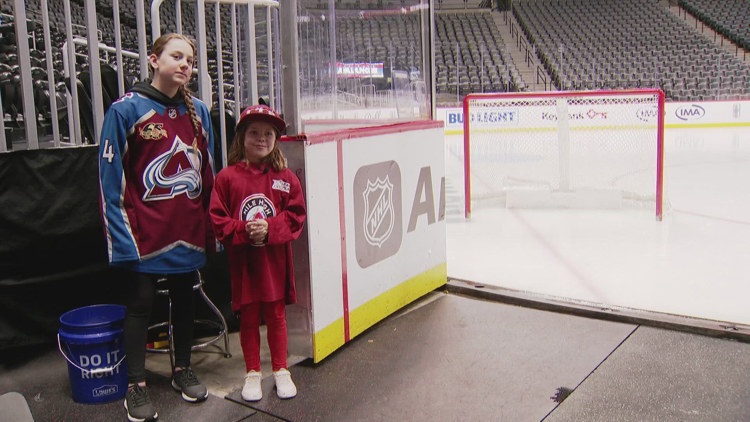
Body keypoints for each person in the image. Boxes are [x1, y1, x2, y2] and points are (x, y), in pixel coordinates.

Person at [98, 33, 215, 422]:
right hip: (145, 233)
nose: (185, 65)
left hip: (186, 229)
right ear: (153, 60)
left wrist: (211, 229)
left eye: (190, 60)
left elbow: (208, 176)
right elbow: (109, 181)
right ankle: (136, 386)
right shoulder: (125, 110)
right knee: (141, 304)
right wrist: (121, 238)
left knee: (184, 298)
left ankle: (182, 370)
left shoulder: (199, 109)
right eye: (176, 56)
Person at [209, 104, 306, 401]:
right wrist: (243, 230)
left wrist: (270, 228)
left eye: (268, 133)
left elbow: (296, 215)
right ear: (241, 137)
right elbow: (218, 219)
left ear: (276, 139)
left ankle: (280, 369)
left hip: (274, 263)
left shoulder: (285, 177)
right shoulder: (226, 178)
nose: (261, 138)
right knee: (248, 317)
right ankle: (252, 371)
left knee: (276, 315)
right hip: (244, 265)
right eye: (254, 132)